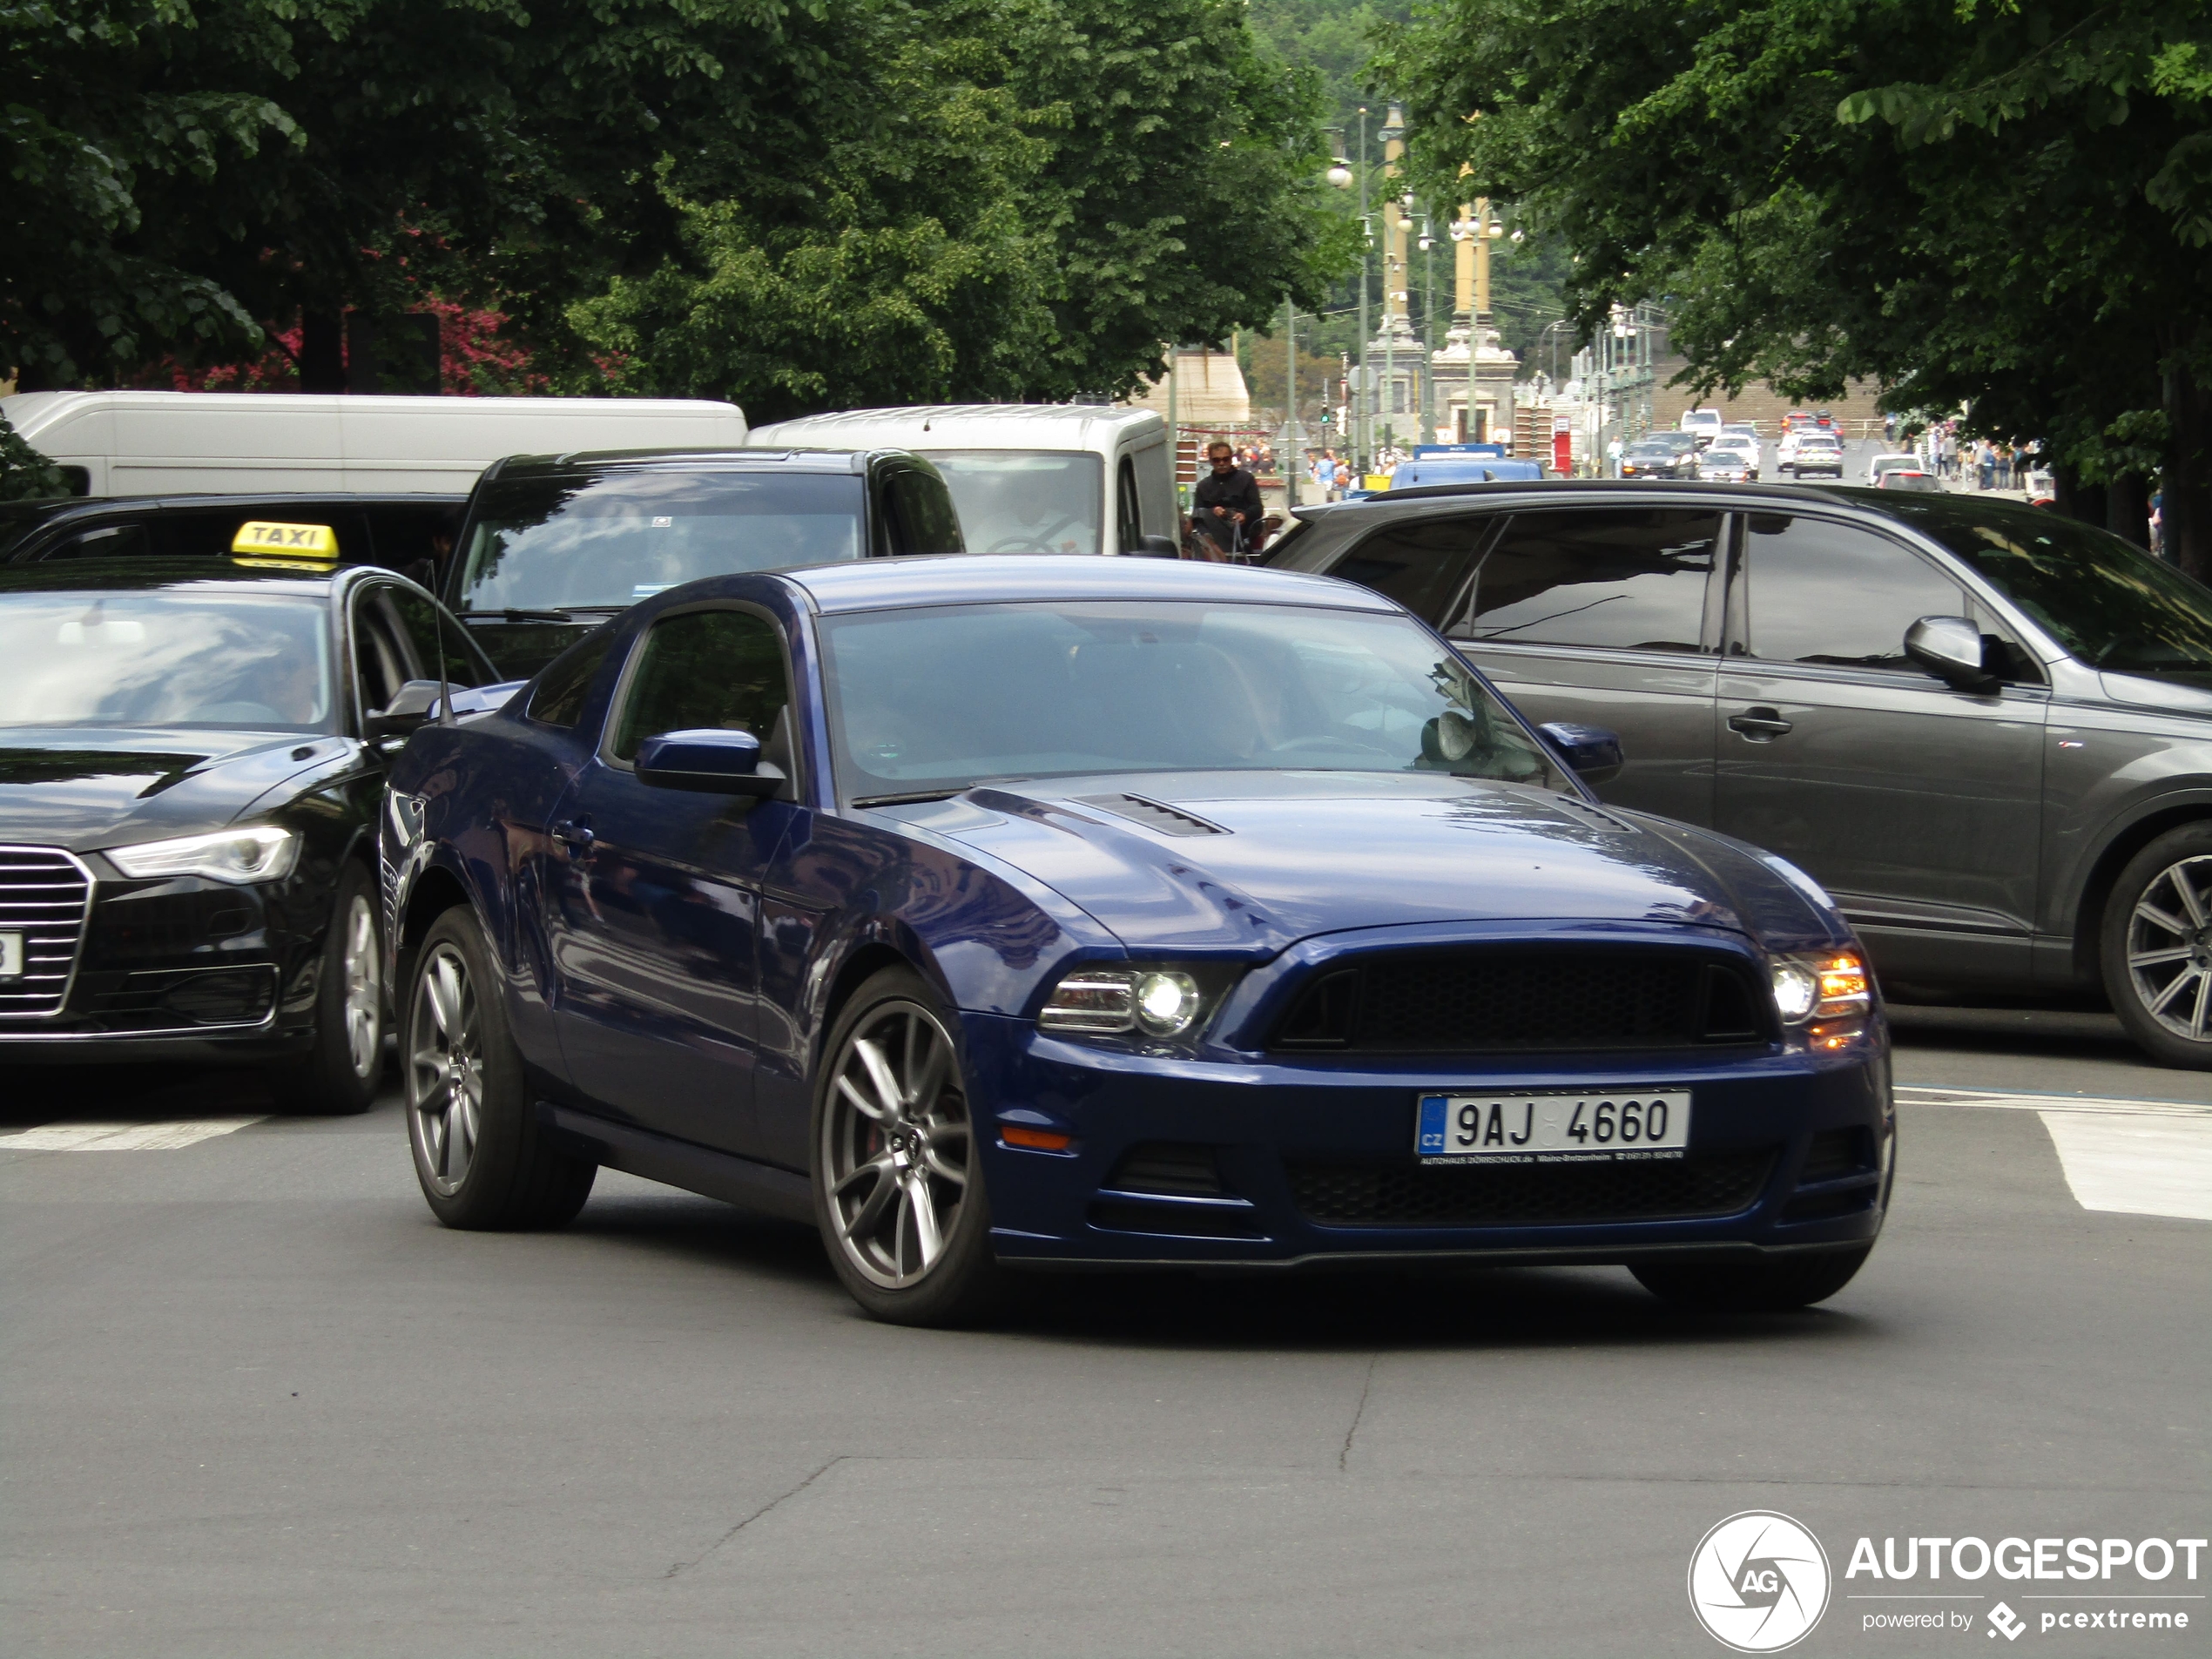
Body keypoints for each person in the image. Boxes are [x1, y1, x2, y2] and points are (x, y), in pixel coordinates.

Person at [1191, 440, 1262, 559]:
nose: (1221, 463)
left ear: (1231, 459)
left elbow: (1257, 507)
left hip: (1243, 538)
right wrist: (1212, 513)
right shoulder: (1203, 486)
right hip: (1215, 543)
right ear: (1210, 461)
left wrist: (1244, 515)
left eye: (1225, 459)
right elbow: (1197, 517)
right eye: (1217, 460)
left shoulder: (1246, 479)